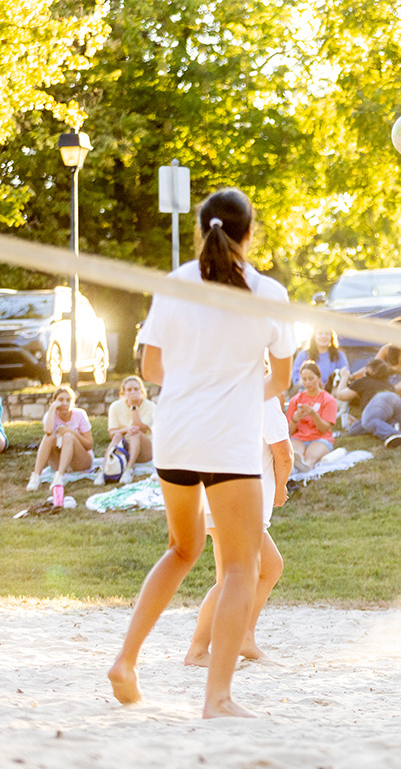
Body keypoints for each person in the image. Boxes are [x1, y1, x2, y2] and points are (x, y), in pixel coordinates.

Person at [107, 187, 295, 719]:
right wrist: (231, 386)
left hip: (175, 433)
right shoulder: (269, 293)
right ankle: (217, 698)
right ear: (249, 233)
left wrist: (198, 381)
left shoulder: (174, 284)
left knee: (181, 549)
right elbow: (278, 379)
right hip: (227, 440)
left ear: (201, 231)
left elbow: (150, 371)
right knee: (241, 566)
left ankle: (125, 661)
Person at [185, 395, 292, 667]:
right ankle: (197, 650)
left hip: (220, 496)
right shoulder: (264, 400)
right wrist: (281, 487)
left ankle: (245, 637)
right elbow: (285, 454)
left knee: (270, 567)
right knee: (229, 580)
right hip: (235, 502)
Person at [26, 386, 94, 491]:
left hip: (80, 461)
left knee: (68, 436)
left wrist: (71, 432)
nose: (65, 403)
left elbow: (89, 445)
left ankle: (60, 477)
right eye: (60, 400)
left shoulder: (80, 414)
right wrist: (52, 408)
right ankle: (36, 476)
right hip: (58, 460)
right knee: (49, 436)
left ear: (73, 402)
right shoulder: (50, 414)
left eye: (68, 400)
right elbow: (48, 431)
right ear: (54, 402)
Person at [332, 359, 401, 448]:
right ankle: (392, 425)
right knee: (354, 429)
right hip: (397, 403)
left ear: (370, 370)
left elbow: (341, 395)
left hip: (381, 397)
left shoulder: (364, 381)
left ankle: (392, 434)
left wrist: (344, 377)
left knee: (369, 420)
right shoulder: (388, 384)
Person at [98, 375, 155, 485]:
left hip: (145, 450)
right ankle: (102, 471)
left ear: (141, 391)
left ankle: (128, 470)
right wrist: (126, 429)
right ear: (123, 393)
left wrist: (134, 407)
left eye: (136, 389)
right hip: (124, 448)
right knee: (117, 435)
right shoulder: (115, 406)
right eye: (129, 390)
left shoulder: (150, 406)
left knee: (135, 433)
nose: (133, 392)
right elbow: (112, 433)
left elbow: (141, 428)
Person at [286, 360, 337, 469]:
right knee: (296, 454)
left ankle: (305, 467)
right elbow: (289, 431)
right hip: (299, 438)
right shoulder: (296, 400)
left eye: (311, 378)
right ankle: (295, 467)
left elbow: (324, 429)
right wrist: (294, 420)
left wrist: (314, 415)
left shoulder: (328, 400)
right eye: (304, 379)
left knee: (310, 458)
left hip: (320, 438)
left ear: (318, 378)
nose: (308, 383)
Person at [363, 317, 401, 403]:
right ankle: (387, 398)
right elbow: (373, 367)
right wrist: (352, 377)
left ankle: (385, 397)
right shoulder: (386, 349)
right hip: (387, 385)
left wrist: (388, 390)